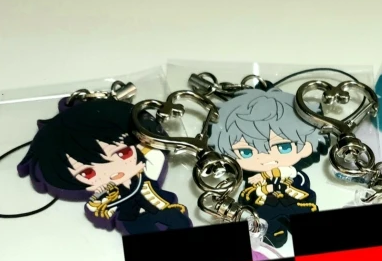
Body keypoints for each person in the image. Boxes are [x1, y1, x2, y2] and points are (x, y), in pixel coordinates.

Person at [17, 99, 192, 234]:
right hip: (132, 222)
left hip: (165, 210)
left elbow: (154, 153)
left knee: (179, 223)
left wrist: (146, 137)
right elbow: (96, 209)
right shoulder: (107, 196)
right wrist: (100, 196)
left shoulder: (146, 172)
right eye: (88, 172)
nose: (113, 173)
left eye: (122, 153)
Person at [214, 88, 326, 248]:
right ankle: (274, 232)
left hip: (293, 205)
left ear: (306, 147)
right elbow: (248, 197)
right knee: (267, 227)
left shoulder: (293, 174)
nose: (264, 157)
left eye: (283, 147)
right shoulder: (253, 180)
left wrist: (274, 179)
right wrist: (263, 189)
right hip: (266, 211)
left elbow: (300, 185)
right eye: (246, 152)